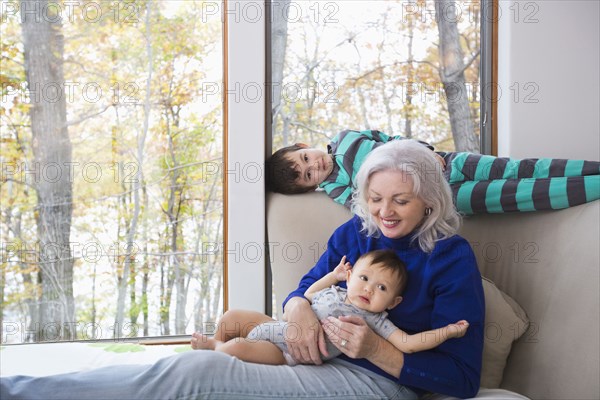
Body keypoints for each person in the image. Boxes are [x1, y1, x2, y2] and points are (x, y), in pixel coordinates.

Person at [0, 139, 483, 399]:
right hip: (312, 357)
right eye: (375, 199)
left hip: (377, 382)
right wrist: (299, 312)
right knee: (197, 363)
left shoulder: (452, 257)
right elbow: (302, 288)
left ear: (430, 202)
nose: (385, 212)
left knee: (194, 374)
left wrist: (380, 350)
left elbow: (462, 379)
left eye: (401, 200)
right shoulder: (356, 234)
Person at [190, 250, 469, 366]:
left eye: (382, 288)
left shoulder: (375, 322)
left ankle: (215, 351)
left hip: (285, 353)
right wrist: (332, 276)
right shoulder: (335, 290)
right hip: (278, 325)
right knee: (233, 317)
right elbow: (308, 294)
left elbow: (408, 344)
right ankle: (216, 339)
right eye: (364, 279)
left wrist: (447, 332)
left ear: (394, 303)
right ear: (350, 278)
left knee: (239, 346)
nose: (370, 289)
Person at [265, 129, 600, 214]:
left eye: (306, 159)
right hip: (441, 196)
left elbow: (393, 139)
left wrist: (422, 150)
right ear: (312, 188)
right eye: (308, 175)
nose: (314, 166)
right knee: (518, 193)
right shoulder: (338, 188)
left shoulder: (346, 138)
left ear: (303, 145)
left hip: (447, 162)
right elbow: (369, 206)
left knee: (522, 169)